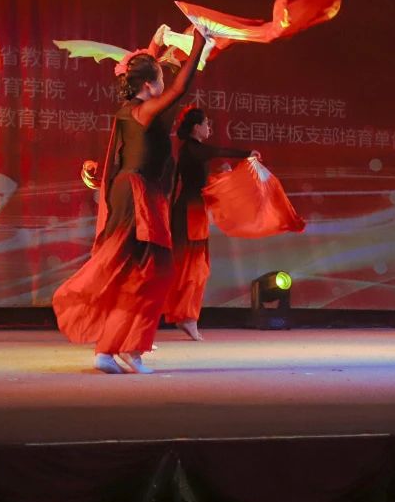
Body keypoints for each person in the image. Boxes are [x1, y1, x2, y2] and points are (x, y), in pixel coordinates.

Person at [53, 27, 207, 374]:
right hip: (139, 194)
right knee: (155, 270)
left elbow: (147, 72)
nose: (165, 83)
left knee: (136, 271)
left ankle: (111, 350)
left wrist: (156, 46)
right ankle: (127, 349)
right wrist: (199, 43)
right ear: (149, 86)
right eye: (161, 78)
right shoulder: (145, 111)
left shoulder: (130, 110)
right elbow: (180, 89)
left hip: (132, 190)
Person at [164, 106, 255, 340]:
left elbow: (201, 176)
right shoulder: (193, 149)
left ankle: (186, 316)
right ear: (196, 127)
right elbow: (217, 151)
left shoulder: (192, 150)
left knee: (195, 267)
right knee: (191, 268)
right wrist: (247, 154)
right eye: (206, 124)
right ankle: (186, 316)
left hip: (193, 210)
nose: (209, 128)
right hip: (190, 213)